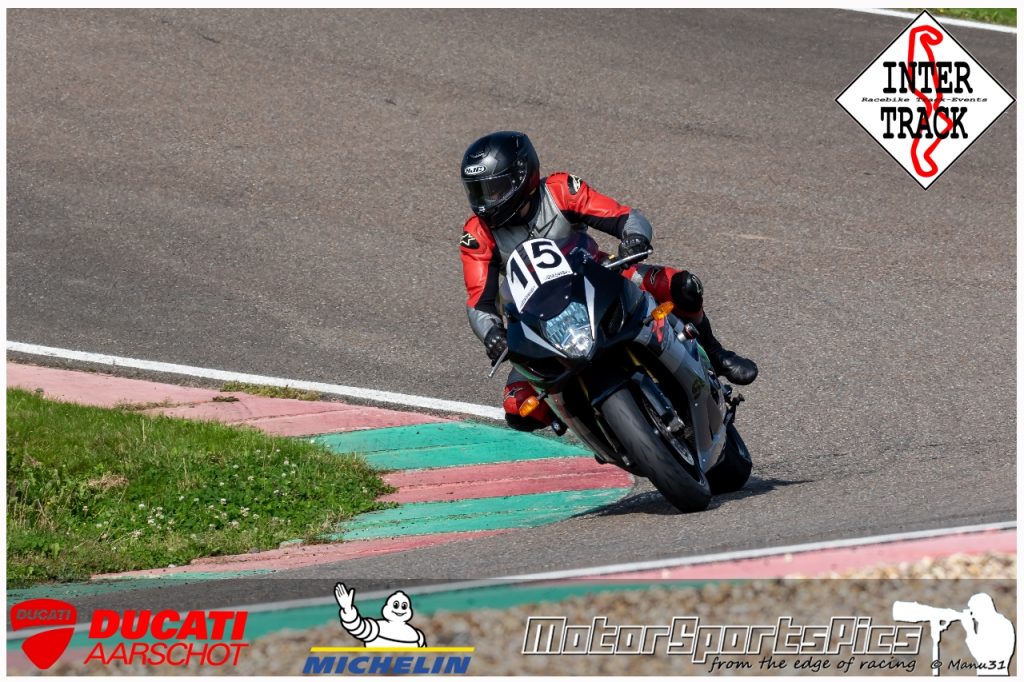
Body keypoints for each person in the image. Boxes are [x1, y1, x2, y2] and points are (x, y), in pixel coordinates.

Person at [459, 131, 757, 432]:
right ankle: (596, 426)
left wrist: (634, 237)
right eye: (478, 193)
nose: (485, 203)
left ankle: (715, 354)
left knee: (683, 286)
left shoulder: (560, 190)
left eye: (493, 190)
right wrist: (491, 333)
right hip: (539, 318)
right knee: (519, 408)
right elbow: (479, 303)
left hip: (597, 277)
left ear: (522, 175)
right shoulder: (477, 234)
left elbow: (625, 216)